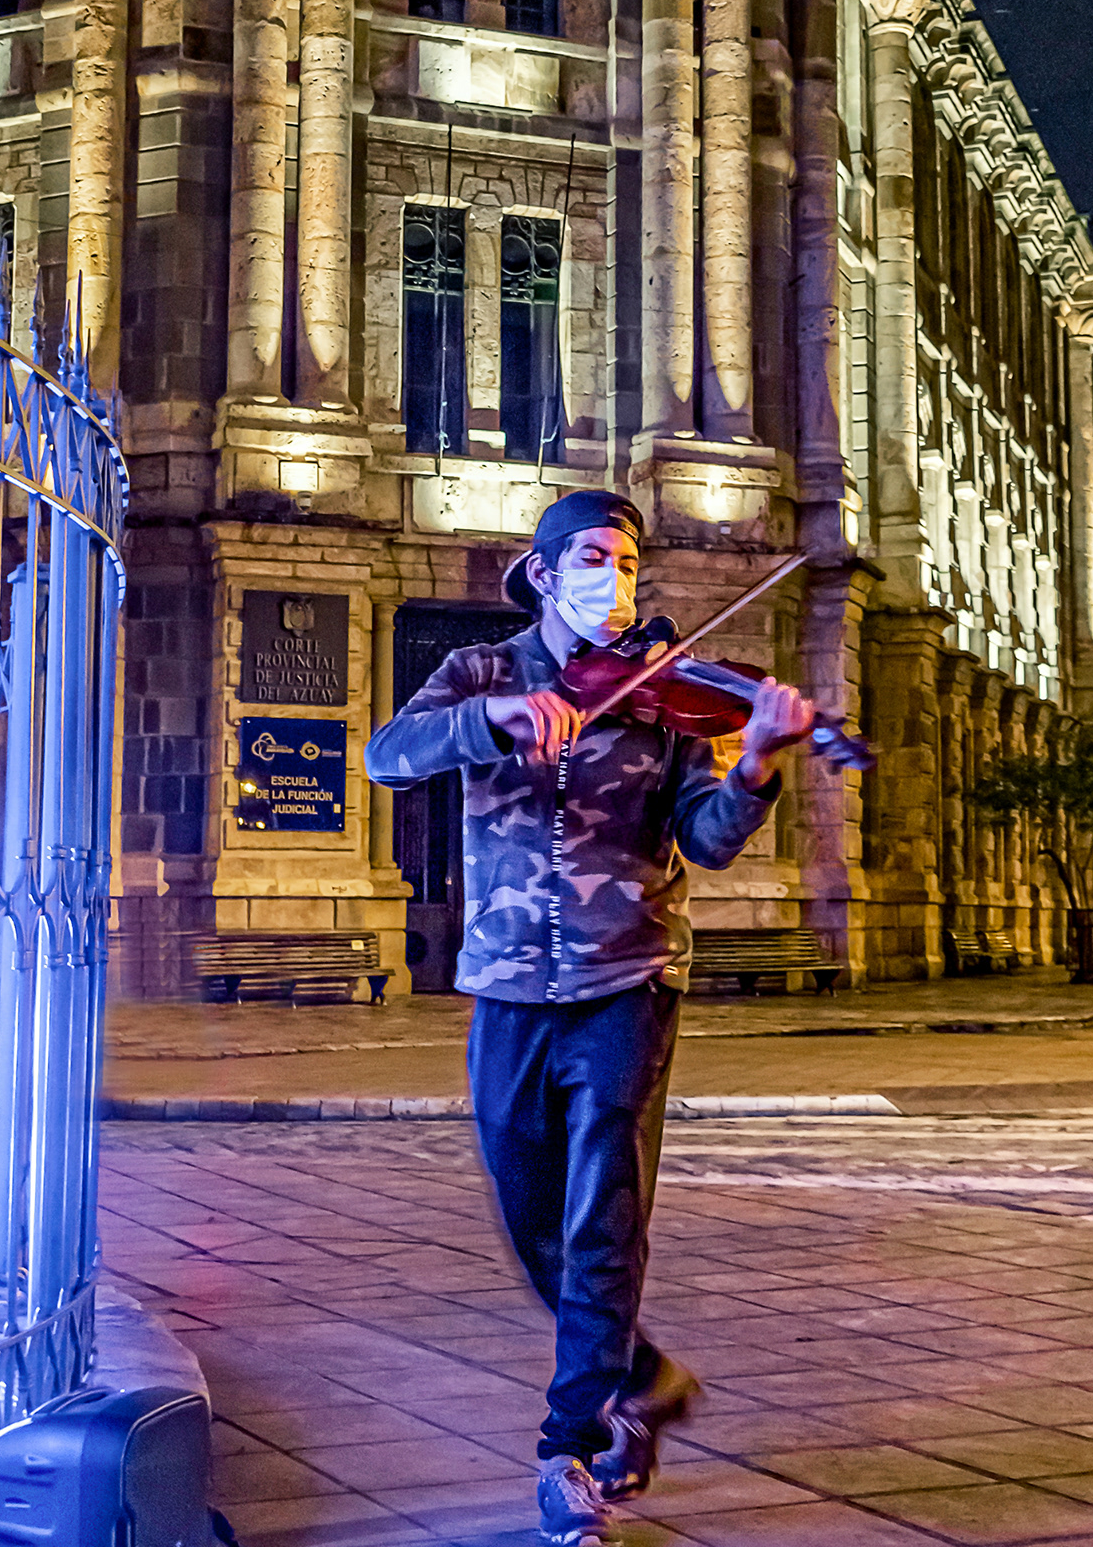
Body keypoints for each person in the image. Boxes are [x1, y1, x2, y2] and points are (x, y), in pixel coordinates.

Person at [365, 489, 817, 1546]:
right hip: (508, 982)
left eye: (626, 561)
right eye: (592, 557)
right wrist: (496, 720)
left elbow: (707, 840)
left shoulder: (665, 694)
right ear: (542, 572)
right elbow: (388, 754)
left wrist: (756, 763)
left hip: (629, 980)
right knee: (529, 1214)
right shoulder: (481, 671)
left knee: (603, 1219)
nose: (612, 578)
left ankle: (566, 1449)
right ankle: (643, 1379)